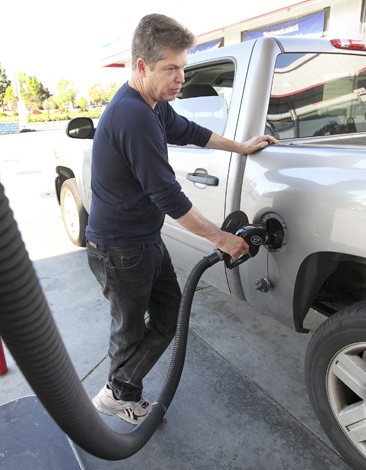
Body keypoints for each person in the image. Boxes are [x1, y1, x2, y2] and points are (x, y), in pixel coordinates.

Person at [87, 13, 277, 425]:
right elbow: (167, 195)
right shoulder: (133, 116)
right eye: (171, 68)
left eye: (183, 68)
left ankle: (119, 390)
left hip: (143, 241)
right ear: (142, 66)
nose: (180, 77)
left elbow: (192, 131)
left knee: (169, 316)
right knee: (129, 330)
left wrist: (241, 147)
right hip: (119, 250)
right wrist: (222, 240)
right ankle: (119, 395)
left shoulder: (152, 104)